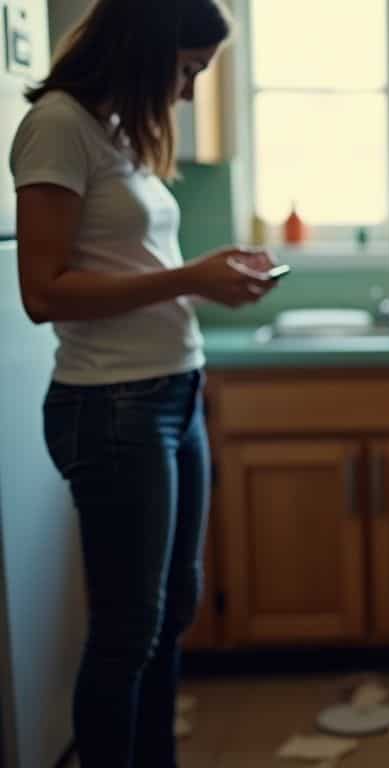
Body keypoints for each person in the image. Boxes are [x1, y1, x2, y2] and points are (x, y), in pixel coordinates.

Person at [8, 1, 275, 764]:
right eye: (188, 69)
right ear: (147, 48)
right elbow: (43, 291)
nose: (188, 93)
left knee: (171, 610)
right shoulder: (56, 126)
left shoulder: (114, 132)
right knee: (128, 630)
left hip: (171, 392)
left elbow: (130, 270)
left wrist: (208, 275)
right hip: (114, 405)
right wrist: (190, 277)